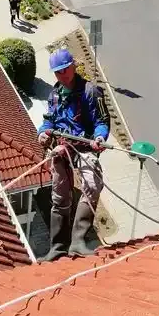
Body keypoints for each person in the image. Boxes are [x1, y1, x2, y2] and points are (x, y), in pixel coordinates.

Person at [38, 48, 110, 261]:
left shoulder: (91, 91)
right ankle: (57, 247)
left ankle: (78, 241)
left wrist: (99, 137)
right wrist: (43, 132)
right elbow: (49, 120)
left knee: (92, 184)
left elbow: (102, 121)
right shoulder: (55, 94)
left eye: (65, 69)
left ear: (73, 66)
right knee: (59, 196)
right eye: (58, 72)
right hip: (61, 147)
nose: (62, 75)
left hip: (84, 146)